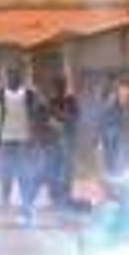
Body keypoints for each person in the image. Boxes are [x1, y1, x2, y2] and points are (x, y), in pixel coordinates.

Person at [0, 66, 41, 221]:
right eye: (10, 75)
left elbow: (34, 115)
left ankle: (26, 202)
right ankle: (5, 200)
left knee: (23, 172)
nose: (12, 77)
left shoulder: (28, 93)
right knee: (6, 170)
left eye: (15, 75)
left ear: (20, 77)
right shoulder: (2, 92)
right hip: (7, 137)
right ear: (7, 76)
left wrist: (33, 136)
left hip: (23, 137)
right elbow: (0, 115)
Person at [45, 75, 80, 207]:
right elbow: (47, 119)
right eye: (57, 86)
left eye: (62, 86)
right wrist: (58, 122)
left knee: (66, 170)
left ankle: (65, 195)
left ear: (65, 87)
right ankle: (55, 196)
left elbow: (75, 118)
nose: (60, 89)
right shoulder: (52, 101)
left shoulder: (71, 101)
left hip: (68, 140)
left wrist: (62, 120)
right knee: (53, 169)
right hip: (54, 142)